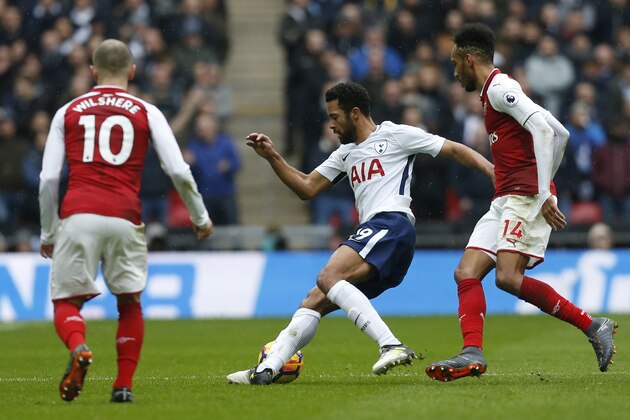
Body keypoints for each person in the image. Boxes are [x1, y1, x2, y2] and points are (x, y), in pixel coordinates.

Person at [226, 81, 494, 385]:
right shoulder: (345, 154)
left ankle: (390, 344)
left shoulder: (395, 134)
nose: (331, 125)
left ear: (354, 113)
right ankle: (267, 369)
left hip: (391, 225)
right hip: (380, 236)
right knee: (314, 300)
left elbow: (455, 150)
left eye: (335, 117)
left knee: (328, 278)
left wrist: (494, 172)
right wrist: (273, 157)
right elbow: (306, 187)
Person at [425, 23, 618, 383]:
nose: (453, 72)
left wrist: (544, 191)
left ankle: (593, 326)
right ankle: (472, 352)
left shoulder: (500, 88)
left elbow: (547, 133)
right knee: (466, 272)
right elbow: (559, 131)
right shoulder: (493, 92)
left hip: (526, 196)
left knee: (508, 278)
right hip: (505, 198)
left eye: (455, 63)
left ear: (469, 59)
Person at [39, 39, 213, 403]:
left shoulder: (68, 111)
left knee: (66, 302)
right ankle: (123, 386)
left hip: (78, 213)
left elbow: (48, 180)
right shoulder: (146, 111)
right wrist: (200, 216)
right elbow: (178, 170)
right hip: (124, 215)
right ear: (132, 72)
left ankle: (80, 346)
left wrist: (48, 232)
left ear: (92, 72)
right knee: (129, 302)